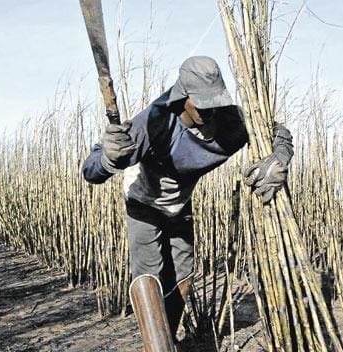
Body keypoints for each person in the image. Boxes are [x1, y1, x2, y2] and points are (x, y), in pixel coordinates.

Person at [82, 56, 293, 349]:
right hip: (144, 201)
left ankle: (165, 339)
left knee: (183, 275)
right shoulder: (152, 123)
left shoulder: (229, 120)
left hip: (180, 203)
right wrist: (108, 157)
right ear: (183, 99)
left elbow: (277, 131)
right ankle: (154, 345)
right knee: (149, 278)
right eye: (202, 105)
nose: (211, 112)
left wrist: (278, 159)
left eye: (215, 102)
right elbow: (90, 170)